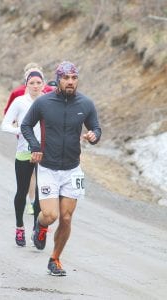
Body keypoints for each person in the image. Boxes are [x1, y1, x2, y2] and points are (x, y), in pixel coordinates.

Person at [21, 61, 101, 276]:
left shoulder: (86, 104)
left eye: (74, 78)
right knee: (50, 215)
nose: (70, 82)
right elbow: (26, 125)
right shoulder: (44, 103)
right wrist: (35, 146)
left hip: (72, 170)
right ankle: (41, 226)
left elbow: (96, 127)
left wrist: (94, 136)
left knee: (66, 218)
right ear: (58, 79)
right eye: (66, 78)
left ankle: (55, 259)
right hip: (48, 168)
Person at [1, 68, 45, 247]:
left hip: (44, 153)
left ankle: (37, 230)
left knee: (43, 193)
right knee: (22, 190)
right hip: (24, 151)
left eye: (38, 82)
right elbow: (4, 125)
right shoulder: (20, 102)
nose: (35, 86)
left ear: (43, 84)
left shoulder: (48, 101)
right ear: (26, 85)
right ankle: (20, 227)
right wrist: (20, 130)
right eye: (32, 83)